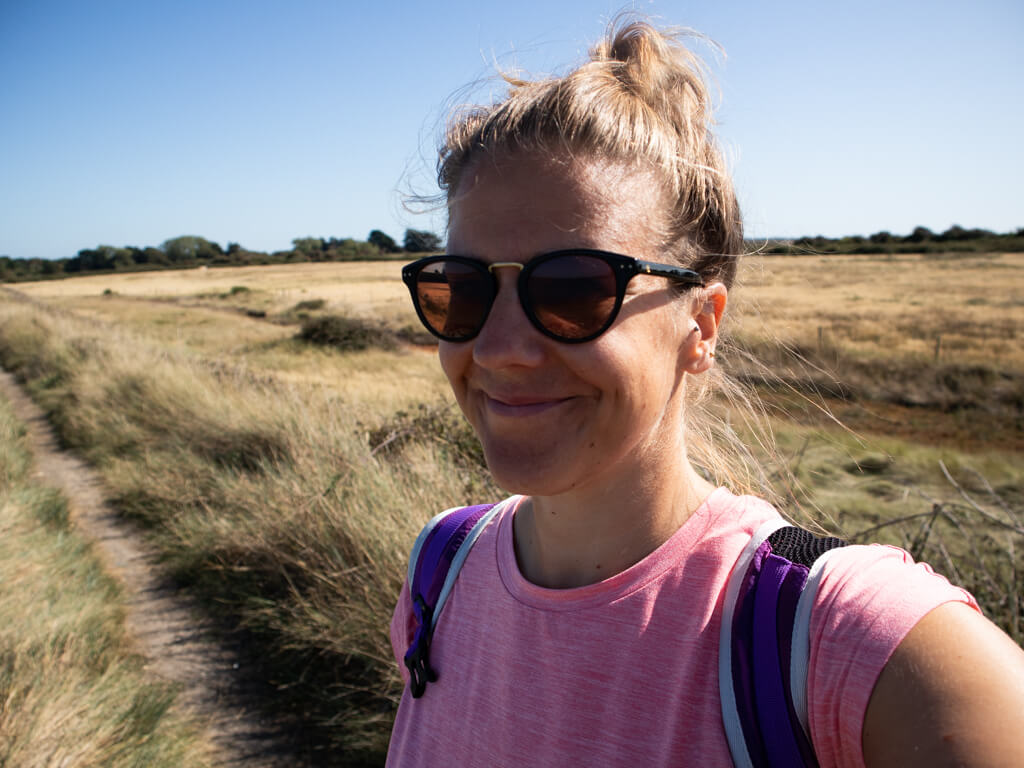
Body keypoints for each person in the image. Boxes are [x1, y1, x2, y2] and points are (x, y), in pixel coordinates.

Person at [387, 16, 1024, 767]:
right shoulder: (442, 567)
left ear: (702, 324)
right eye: (459, 291)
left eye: (572, 288)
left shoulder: (845, 645)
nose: (497, 350)